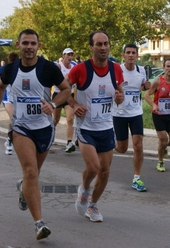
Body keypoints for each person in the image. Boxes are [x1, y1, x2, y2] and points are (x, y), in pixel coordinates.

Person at [0, 29, 71, 240]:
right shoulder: (11, 69)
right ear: (18, 45)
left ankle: (24, 187)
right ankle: (39, 224)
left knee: (33, 175)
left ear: (38, 46)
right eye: (25, 43)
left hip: (44, 128)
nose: (29, 47)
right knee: (31, 172)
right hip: (21, 128)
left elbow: (66, 90)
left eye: (33, 43)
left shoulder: (48, 68)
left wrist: (52, 103)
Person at [67, 30, 124, 222]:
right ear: (91, 47)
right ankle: (83, 190)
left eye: (106, 44)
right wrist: (74, 105)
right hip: (86, 128)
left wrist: (119, 97)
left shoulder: (116, 69)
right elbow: (62, 89)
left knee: (105, 171)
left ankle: (92, 205)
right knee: (93, 167)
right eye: (99, 44)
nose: (103, 47)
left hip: (106, 127)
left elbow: (119, 92)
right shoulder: (81, 69)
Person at [112, 43, 151, 192]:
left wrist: (147, 86)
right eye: (128, 52)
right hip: (119, 114)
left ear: (137, 55)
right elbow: (111, 89)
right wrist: (116, 96)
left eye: (133, 53)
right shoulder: (117, 70)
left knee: (138, 145)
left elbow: (141, 86)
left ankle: (137, 178)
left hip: (136, 113)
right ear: (123, 55)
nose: (130, 55)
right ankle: (110, 142)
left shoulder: (141, 71)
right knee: (122, 149)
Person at [144, 59, 170, 172]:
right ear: (163, 68)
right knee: (163, 139)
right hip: (158, 115)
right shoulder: (158, 82)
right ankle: (160, 162)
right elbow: (146, 95)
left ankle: (163, 146)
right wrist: (153, 105)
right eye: (168, 66)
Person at [0, 52, 19, 155]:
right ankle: (9, 141)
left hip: (18, 98)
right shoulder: (5, 68)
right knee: (13, 116)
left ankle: (15, 138)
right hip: (7, 97)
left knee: (18, 119)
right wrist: (2, 81)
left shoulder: (21, 68)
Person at [54, 47, 77, 153]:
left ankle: (69, 142)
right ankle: (50, 135)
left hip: (69, 95)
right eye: (68, 55)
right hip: (58, 95)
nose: (70, 57)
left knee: (70, 118)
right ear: (63, 56)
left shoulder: (74, 67)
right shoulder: (59, 67)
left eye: (71, 55)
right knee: (55, 120)